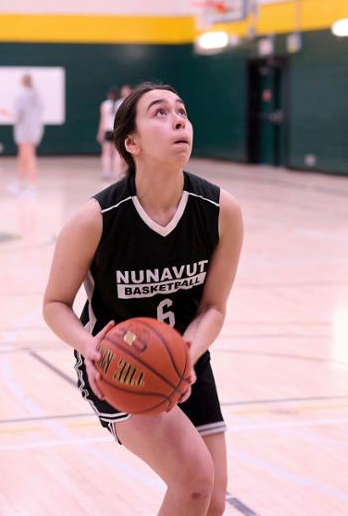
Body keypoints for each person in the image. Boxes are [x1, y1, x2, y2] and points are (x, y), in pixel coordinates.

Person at [42, 82, 244, 516]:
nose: (177, 119)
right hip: (115, 364)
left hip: (185, 355)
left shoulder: (221, 210)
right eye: (159, 112)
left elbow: (213, 308)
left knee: (212, 501)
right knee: (192, 479)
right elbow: (55, 303)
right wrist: (90, 346)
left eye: (182, 110)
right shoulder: (95, 220)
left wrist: (188, 352)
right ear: (130, 142)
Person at [5, 73, 43, 194]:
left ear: (22, 81)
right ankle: (19, 182)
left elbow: (18, 116)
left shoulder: (21, 96)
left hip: (25, 130)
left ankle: (32, 186)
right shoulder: (37, 95)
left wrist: (6, 113)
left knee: (30, 157)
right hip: (35, 129)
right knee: (22, 157)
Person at [97, 87, 120, 179]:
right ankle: (117, 173)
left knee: (106, 153)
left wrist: (100, 133)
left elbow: (103, 120)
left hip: (108, 131)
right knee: (117, 154)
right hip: (118, 130)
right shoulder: (122, 104)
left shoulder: (105, 105)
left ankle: (106, 172)